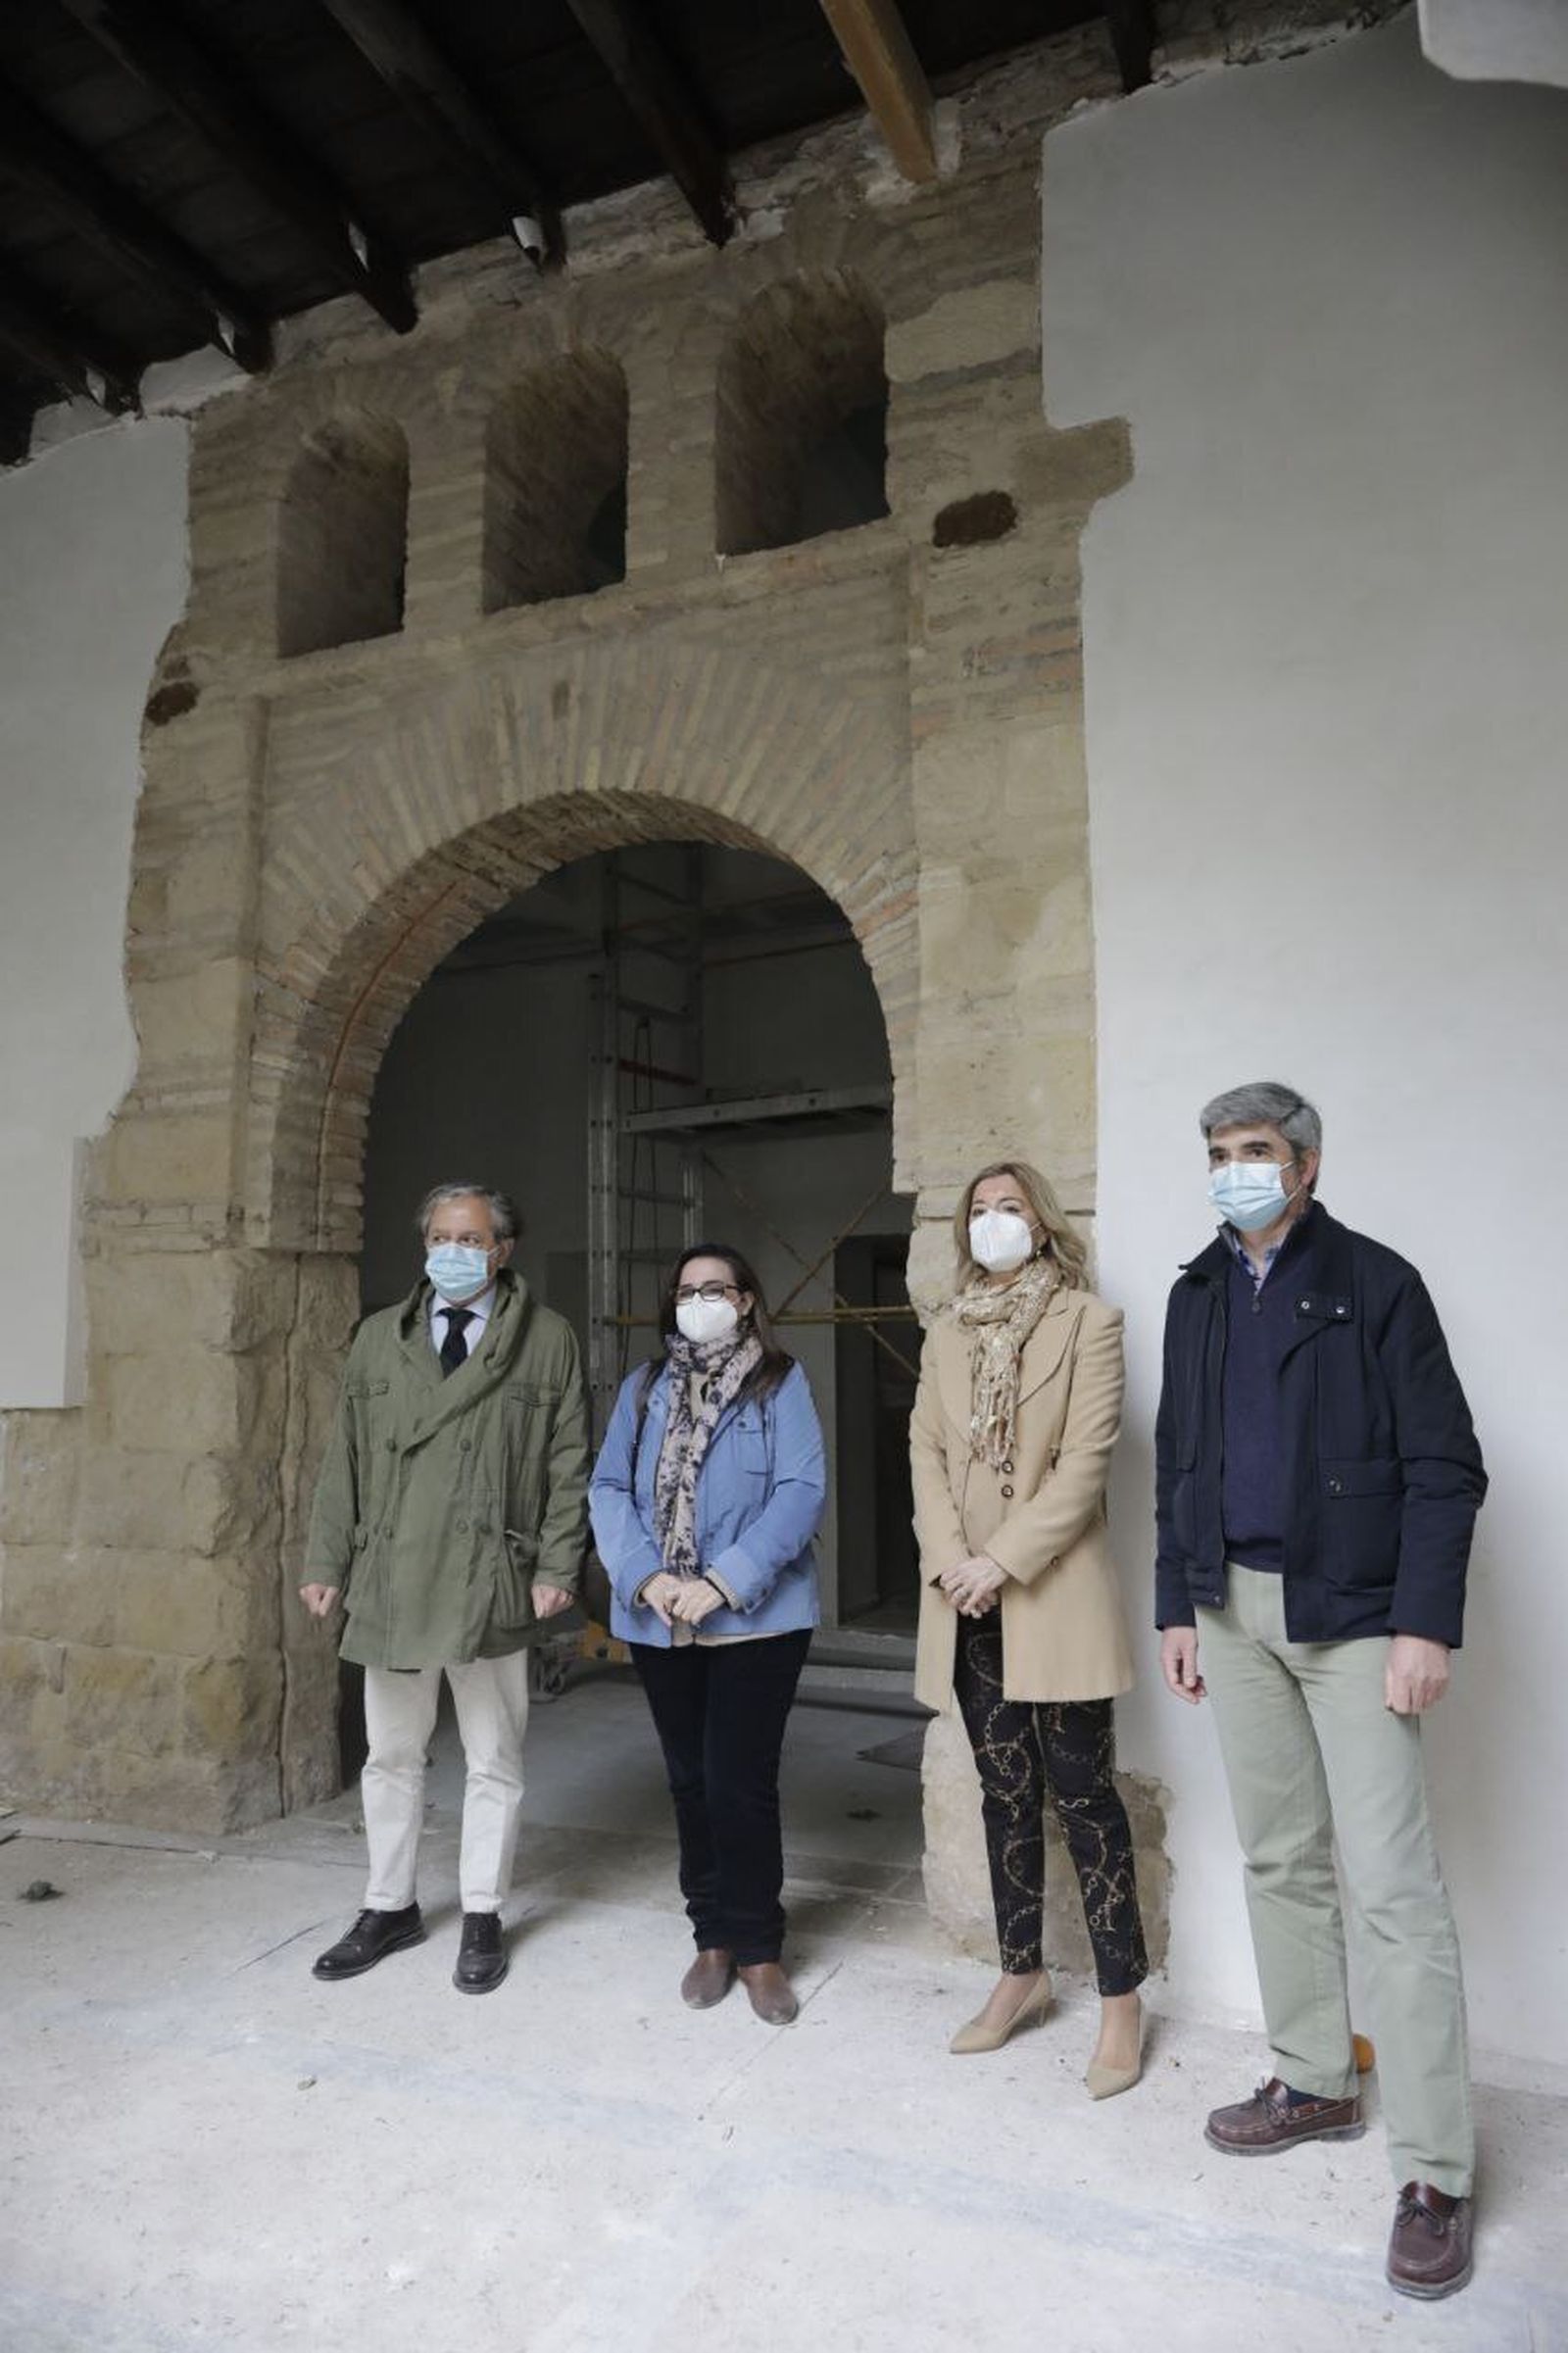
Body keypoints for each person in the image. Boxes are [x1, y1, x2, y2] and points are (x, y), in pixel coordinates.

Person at [1156, 1082, 1486, 2300]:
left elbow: (1446, 1465)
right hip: (1228, 1612)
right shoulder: (1198, 1291)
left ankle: (1436, 2172)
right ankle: (1315, 2079)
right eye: (1216, 1152)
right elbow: (1176, 1459)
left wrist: (1422, 1623)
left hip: (1353, 1618)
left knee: (1395, 1886)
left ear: (1303, 1163)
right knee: (1278, 1856)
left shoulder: (1376, 1281)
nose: (1232, 1168)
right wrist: (1176, 1604)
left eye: (1253, 1150)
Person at [300, 1182, 588, 1994]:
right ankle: (388, 1904)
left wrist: (558, 1566)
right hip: (391, 1574)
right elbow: (342, 1460)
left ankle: (484, 1912)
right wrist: (326, 1561)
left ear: (503, 1248)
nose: (454, 1250)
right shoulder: (375, 1340)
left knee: (494, 1758)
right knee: (392, 1754)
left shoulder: (548, 1339)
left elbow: (571, 1464)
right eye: (441, 1234)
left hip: (490, 1576)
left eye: (471, 1237)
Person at [910, 1160, 1148, 2096]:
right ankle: (1023, 1972)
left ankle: (1122, 1997)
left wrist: (999, 1559)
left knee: (1085, 1795)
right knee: (1004, 1791)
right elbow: (926, 1450)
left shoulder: (1091, 1323)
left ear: (1042, 1224)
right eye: (979, 1210)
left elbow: (1085, 1465)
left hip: (1048, 1592)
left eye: (1009, 1208)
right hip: (963, 1597)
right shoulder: (943, 1333)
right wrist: (949, 1560)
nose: (992, 1222)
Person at [590, 1243, 826, 2025]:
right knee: (689, 1779)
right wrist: (647, 1577)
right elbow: (609, 1486)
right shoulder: (645, 1385)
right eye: (687, 1290)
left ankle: (759, 1946)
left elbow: (800, 1489)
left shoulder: (779, 1381)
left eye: (716, 1288)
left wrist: (720, 1580)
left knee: (739, 1781)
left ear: (748, 1298)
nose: (700, 1300)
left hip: (755, 1617)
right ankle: (712, 1935)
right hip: (659, 1619)